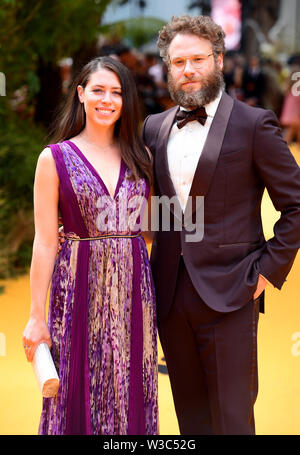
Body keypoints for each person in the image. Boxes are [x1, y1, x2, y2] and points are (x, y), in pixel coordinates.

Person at [142, 15, 300, 435]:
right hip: (170, 298)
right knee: (190, 422)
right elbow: (150, 210)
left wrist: (265, 271)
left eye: (197, 59)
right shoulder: (153, 129)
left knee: (232, 421)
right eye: (178, 62)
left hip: (232, 294)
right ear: (168, 67)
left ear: (217, 59)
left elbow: (296, 205)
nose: (188, 70)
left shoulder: (254, 124)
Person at [22, 56, 158, 435]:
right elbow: (46, 242)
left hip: (134, 289)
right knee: (75, 388)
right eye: (98, 90)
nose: (107, 100)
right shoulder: (54, 158)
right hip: (77, 286)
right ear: (81, 94)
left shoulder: (141, 156)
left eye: (117, 93)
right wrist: (36, 315)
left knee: (131, 385)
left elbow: (149, 229)